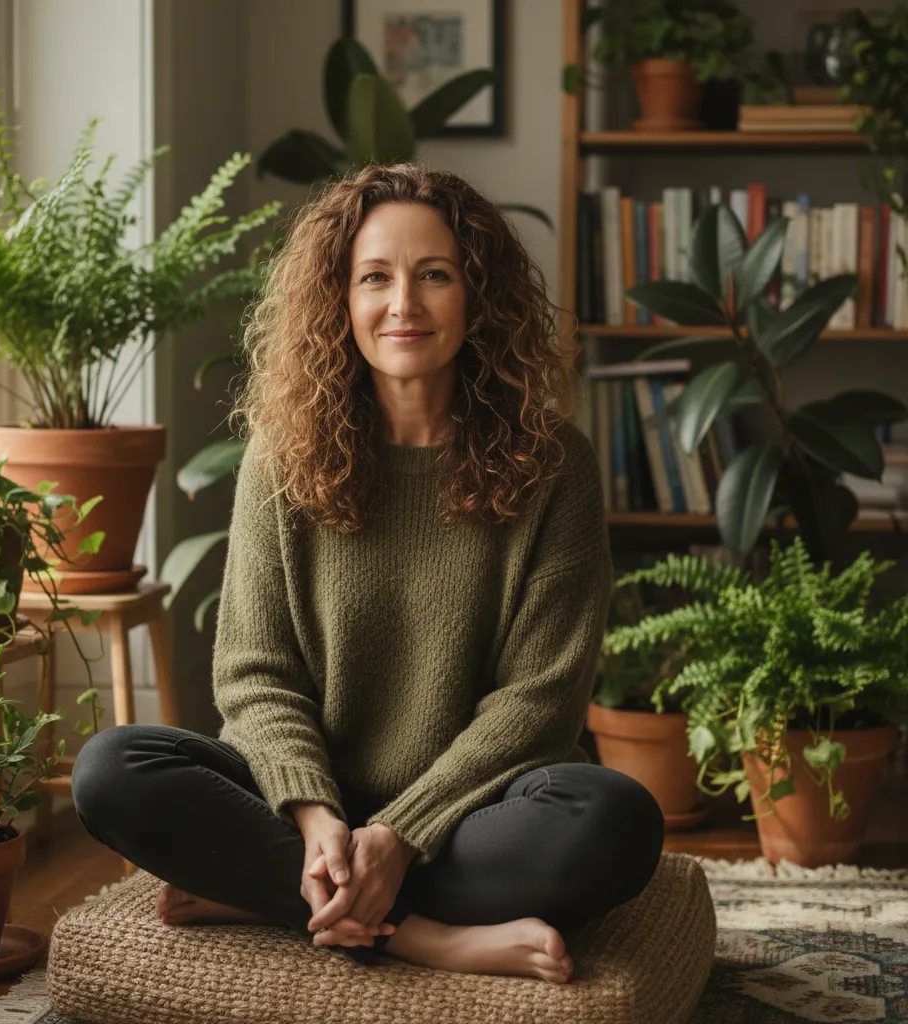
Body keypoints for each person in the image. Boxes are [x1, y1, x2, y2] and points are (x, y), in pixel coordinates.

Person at [71, 162, 665, 985]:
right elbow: (255, 674)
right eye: (375, 278)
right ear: (339, 301)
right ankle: (423, 934)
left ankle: (269, 893)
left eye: (435, 276)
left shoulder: (555, 466)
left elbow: (539, 700)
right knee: (112, 770)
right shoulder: (279, 462)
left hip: (471, 812)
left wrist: (398, 836)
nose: (404, 306)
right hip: (307, 802)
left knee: (614, 820)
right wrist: (320, 822)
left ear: (479, 295)